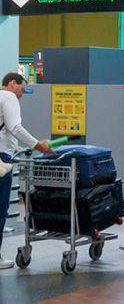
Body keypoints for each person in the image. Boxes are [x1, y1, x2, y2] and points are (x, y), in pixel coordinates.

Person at [0, 73, 53, 269]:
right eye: (22, 89)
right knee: (0, 209)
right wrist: (38, 145)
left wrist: (13, 146)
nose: (22, 94)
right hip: (1, 161)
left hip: (4, 152)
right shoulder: (9, 97)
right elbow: (15, 127)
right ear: (12, 83)